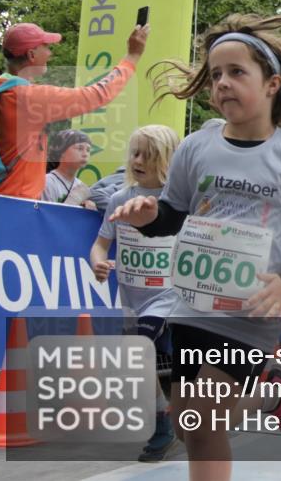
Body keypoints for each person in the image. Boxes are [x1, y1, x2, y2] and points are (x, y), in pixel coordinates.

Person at [110, 13, 281, 481]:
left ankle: (268, 389)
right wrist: (148, 216)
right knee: (188, 424)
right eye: (216, 74)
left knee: (203, 419)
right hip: (191, 304)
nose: (222, 83)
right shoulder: (196, 147)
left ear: (272, 83)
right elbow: (172, 215)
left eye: (237, 72)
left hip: (251, 309)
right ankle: (272, 392)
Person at [89, 124, 180, 462]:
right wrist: (98, 263)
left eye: (149, 155)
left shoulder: (176, 203)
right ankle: (165, 418)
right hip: (130, 298)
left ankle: (165, 424)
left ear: (168, 159)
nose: (138, 161)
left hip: (167, 296)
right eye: (135, 153)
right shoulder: (119, 199)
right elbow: (100, 245)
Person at [0, 21, 148, 199]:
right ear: (31, 54)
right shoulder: (29, 97)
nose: (50, 53)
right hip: (18, 201)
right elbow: (98, 94)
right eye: (46, 47)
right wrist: (132, 57)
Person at [42, 129, 96, 209]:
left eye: (88, 150)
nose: (85, 154)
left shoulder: (82, 187)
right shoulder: (47, 182)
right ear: (61, 152)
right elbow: (46, 214)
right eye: (80, 148)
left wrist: (90, 209)